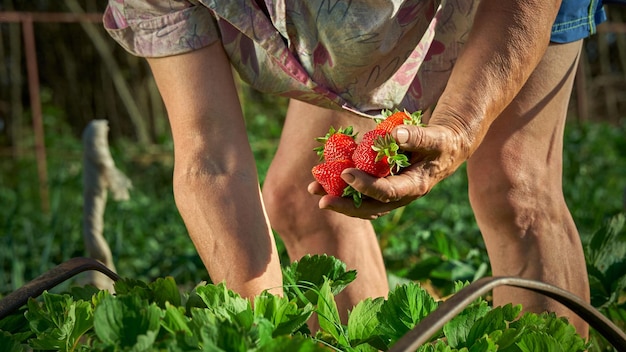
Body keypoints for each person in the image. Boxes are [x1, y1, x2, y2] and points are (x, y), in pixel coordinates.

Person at [104, 0, 607, 337]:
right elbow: (209, 157)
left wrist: (458, 127)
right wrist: (267, 338)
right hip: (343, 37)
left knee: (514, 187)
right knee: (305, 199)